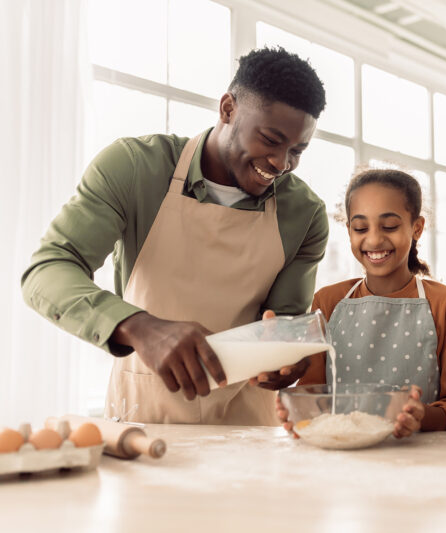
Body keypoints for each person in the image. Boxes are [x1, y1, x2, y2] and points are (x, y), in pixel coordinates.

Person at [21, 46, 329, 425]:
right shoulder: (134, 168)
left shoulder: (306, 214)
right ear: (228, 109)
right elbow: (48, 271)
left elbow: (283, 323)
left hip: (247, 433)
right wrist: (139, 327)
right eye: (270, 139)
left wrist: (285, 357)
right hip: (143, 421)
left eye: (297, 150)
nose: (282, 164)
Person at [262, 169, 446, 437]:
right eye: (361, 228)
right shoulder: (327, 302)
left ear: (417, 228)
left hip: (420, 465)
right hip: (342, 462)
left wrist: (421, 417)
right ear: (349, 230)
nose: (374, 239)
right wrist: (298, 410)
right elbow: (313, 392)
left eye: (390, 226)